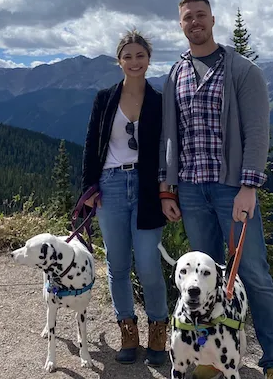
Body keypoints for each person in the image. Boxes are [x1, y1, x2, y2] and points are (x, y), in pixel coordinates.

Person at [158, 0, 273, 379]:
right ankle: (210, 357)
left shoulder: (242, 71)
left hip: (233, 188)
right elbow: (170, 134)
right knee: (202, 281)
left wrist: (249, 186)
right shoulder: (175, 74)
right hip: (193, 192)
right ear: (180, 24)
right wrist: (168, 187)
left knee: (253, 274)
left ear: (213, 20)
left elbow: (257, 132)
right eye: (187, 18)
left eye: (200, 15)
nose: (194, 22)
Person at [82, 29, 168, 367]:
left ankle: (158, 330)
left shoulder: (160, 101)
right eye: (128, 56)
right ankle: (128, 331)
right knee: (118, 265)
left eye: (140, 55)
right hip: (111, 185)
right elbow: (91, 144)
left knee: (147, 264)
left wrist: (167, 191)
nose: (134, 62)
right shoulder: (104, 99)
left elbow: (168, 149)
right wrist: (88, 189)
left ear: (149, 59)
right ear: (119, 61)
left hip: (147, 188)